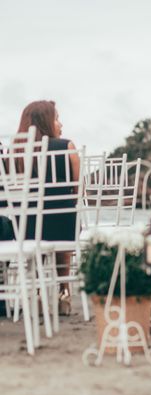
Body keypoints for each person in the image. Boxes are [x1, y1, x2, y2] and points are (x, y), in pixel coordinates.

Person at [17, 100, 80, 314]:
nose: (60, 124)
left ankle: (36, 292)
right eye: (56, 118)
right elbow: (78, 192)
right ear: (44, 122)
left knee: (35, 222)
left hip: (25, 230)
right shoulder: (66, 146)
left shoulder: (14, 153)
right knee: (63, 214)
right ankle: (64, 292)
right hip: (62, 227)